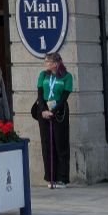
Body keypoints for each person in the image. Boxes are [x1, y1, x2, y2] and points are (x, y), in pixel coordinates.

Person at [36, 51, 73, 188]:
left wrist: (53, 111)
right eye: (46, 61)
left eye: (49, 62)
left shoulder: (67, 77)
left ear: (57, 63)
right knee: (47, 144)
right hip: (44, 111)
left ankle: (62, 178)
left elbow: (64, 98)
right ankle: (50, 177)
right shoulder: (43, 75)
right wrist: (44, 111)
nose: (46, 64)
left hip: (59, 112)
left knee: (60, 144)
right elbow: (40, 95)